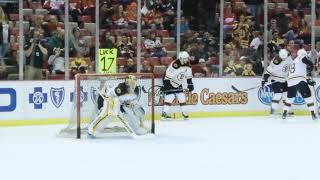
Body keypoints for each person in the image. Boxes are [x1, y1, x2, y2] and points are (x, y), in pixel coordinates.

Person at [282, 49, 317, 120]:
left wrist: (307, 79)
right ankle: (313, 114)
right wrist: (311, 65)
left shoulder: (294, 62)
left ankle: (284, 113)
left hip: (291, 82)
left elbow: (298, 73)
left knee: (290, 99)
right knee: (308, 97)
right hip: (300, 81)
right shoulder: (301, 57)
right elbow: (307, 62)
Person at [161, 51, 194, 121]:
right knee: (170, 96)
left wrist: (190, 84)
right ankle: (164, 115)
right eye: (185, 58)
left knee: (181, 97)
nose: (187, 60)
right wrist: (166, 85)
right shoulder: (175, 64)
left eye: (187, 58)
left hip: (178, 82)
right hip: (169, 81)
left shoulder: (188, 64)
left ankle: (185, 115)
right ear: (181, 58)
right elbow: (167, 75)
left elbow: (189, 76)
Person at [261, 49, 292, 116]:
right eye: (282, 58)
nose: (283, 59)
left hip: (285, 80)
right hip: (276, 79)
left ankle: (285, 111)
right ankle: (272, 111)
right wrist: (264, 79)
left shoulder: (289, 57)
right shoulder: (276, 61)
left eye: (284, 57)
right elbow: (268, 70)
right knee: (278, 95)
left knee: (285, 95)